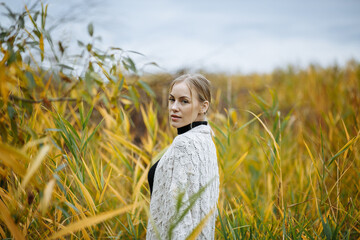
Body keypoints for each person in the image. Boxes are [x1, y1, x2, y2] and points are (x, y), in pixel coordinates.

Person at [146, 74, 220, 240]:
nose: (174, 107)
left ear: (203, 107)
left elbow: (178, 214)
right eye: (172, 99)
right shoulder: (206, 139)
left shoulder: (184, 144)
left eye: (184, 101)